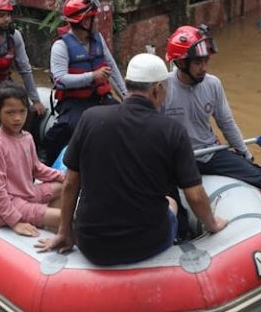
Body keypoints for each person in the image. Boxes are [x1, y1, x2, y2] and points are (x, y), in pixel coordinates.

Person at [35, 53, 227, 265]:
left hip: (91, 244)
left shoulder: (91, 118)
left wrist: (64, 232)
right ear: (157, 89)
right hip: (146, 244)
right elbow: (196, 196)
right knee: (170, 202)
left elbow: (71, 182)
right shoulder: (172, 130)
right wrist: (212, 225)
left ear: (127, 85)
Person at [161, 25, 261, 224]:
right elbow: (152, 132)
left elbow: (226, 123)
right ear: (181, 63)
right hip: (179, 159)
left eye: (206, 61)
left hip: (210, 152)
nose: (204, 67)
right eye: (199, 62)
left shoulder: (213, 84)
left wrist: (245, 154)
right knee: (171, 204)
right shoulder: (163, 88)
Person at [42, 0, 128, 164]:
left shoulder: (97, 39)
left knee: (125, 120)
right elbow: (59, 80)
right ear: (84, 22)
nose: (97, 22)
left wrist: (126, 95)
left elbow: (111, 67)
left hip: (100, 97)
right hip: (74, 102)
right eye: (94, 19)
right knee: (71, 128)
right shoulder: (61, 46)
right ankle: (48, 158)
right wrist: (91, 76)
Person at [0, 81, 65, 237]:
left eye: (22, 111)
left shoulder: (26, 137)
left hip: (28, 194)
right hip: (11, 204)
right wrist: (15, 222)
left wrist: (65, 177)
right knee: (66, 217)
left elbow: (37, 168)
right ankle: (55, 226)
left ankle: (53, 231)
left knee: (64, 186)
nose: (17, 118)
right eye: (10, 112)